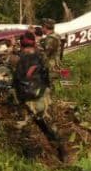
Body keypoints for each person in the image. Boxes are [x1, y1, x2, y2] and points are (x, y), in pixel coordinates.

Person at [12, 31, 66, 161]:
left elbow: (13, 76)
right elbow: (46, 73)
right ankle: (62, 152)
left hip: (26, 100)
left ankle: (31, 158)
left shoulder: (15, 59)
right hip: (42, 96)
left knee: (25, 128)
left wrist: (12, 46)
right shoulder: (41, 56)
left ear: (21, 43)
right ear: (34, 43)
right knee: (49, 125)